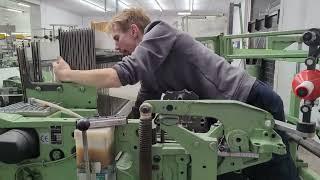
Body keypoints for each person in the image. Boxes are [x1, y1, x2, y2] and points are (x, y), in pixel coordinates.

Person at [53, 8, 299, 180]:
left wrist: (69, 74)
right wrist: (119, 129)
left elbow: (120, 75)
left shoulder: (159, 31)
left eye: (118, 38)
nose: (117, 47)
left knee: (274, 171)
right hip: (229, 114)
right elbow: (144, 102)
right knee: (244, 169)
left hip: (251, 103)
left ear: (135, 31)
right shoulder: (152, 64)